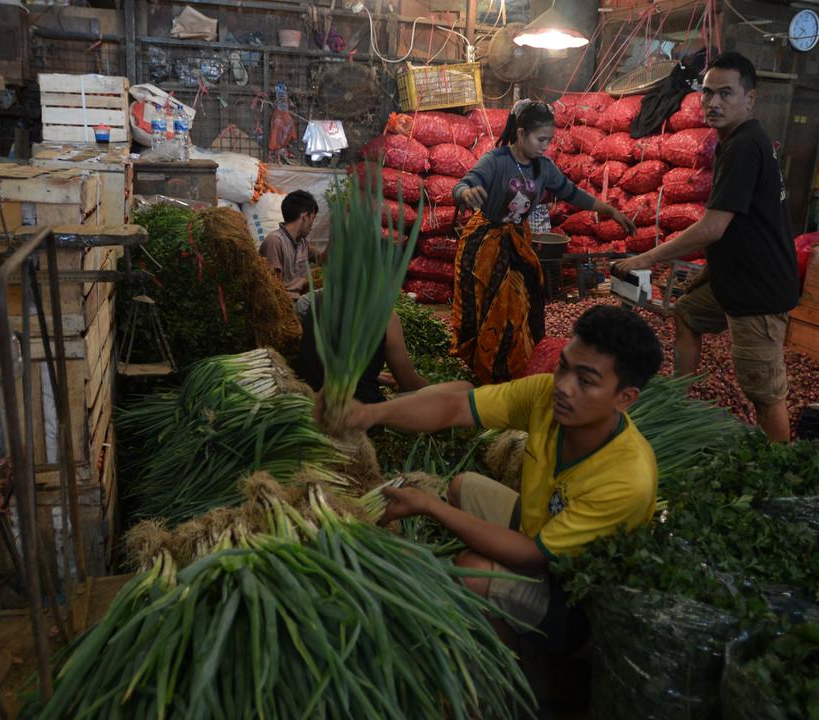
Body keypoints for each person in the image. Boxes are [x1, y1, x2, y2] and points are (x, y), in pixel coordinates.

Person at [337, 305, 663, 651]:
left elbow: (531, 556)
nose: (563, 387)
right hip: (541, 535)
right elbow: (455, 407)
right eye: (563, 366)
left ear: (625, 399)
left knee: (473, 572)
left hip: (579, 600)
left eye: (585, 381)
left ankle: (525, 671)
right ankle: (503, 612)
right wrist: (369, 413)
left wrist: (429, 507)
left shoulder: (626, 480)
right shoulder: (544, 397)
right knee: (465, 486)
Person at [614, 52, 798, 443]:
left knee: (765, 395)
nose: (713, 103)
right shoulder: (733, 142)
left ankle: (782, 474)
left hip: (758, 290)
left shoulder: (745, 146)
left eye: (726, 94)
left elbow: (713, 228)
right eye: (708, 93)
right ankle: (678, 403)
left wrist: (645, 258)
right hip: (734, 276)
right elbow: (739, 224)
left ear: (750, 98)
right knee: (688, 313)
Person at [452, 99, 637, 384]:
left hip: (517, 240)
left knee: (524, 299)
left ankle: (512, 363)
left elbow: (572, 193)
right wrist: (466, 193)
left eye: (549, 140)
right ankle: (483, 367)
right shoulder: (496, 161)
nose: (544, 146)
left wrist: (610, 210)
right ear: (522, 133)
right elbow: (465, 182)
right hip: (485, 243)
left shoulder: (544, 168)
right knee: (486, 303)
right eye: (540, 139)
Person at [292, 291, 430, 406]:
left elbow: (329, 360)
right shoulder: (383, 312)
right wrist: (435, 390)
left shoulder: (316, 300)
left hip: (310, 407)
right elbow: (408, 383)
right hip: (359, 415)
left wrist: (377, 376)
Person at [259, 190, 319, 299]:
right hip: (288, 304)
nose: (312, 225)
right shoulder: (275, 241)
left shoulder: (302, 243)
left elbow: (323, 259)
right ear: (305, 217)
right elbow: (275, 289)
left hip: (300, 299)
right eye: (312, 219)